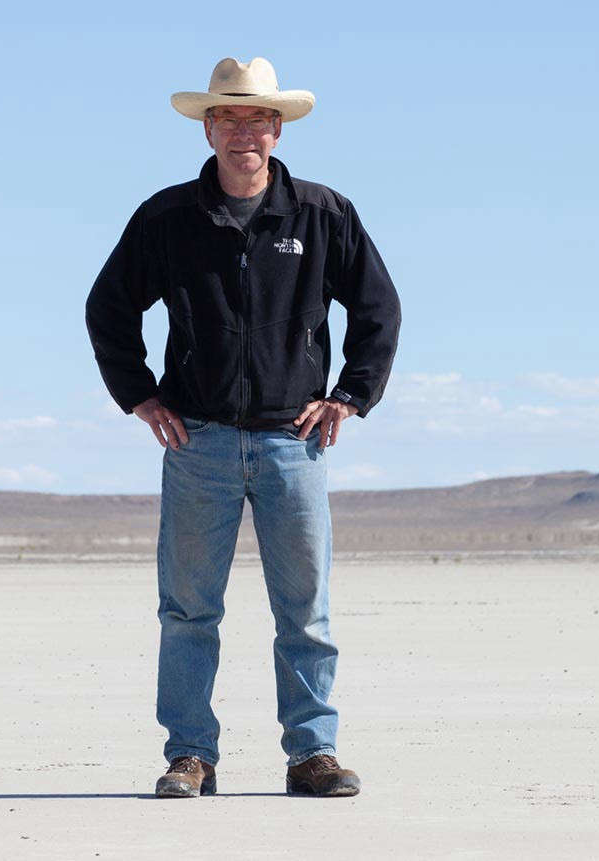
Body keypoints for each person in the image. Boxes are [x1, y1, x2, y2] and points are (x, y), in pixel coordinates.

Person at [85, 57, 401, 798]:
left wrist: (349, 396)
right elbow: (108, 307)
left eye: (257, 118)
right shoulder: (168, 218)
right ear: (208, 128)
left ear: (278, 130)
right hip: (198, 442)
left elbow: (379, 308)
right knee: (188, 610)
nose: (243, 132)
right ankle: (191, 755)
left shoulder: (323, 214)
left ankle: (312, 754)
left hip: (294, 442)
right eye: (228, 117)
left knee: (305, 610)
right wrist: (140, 396)